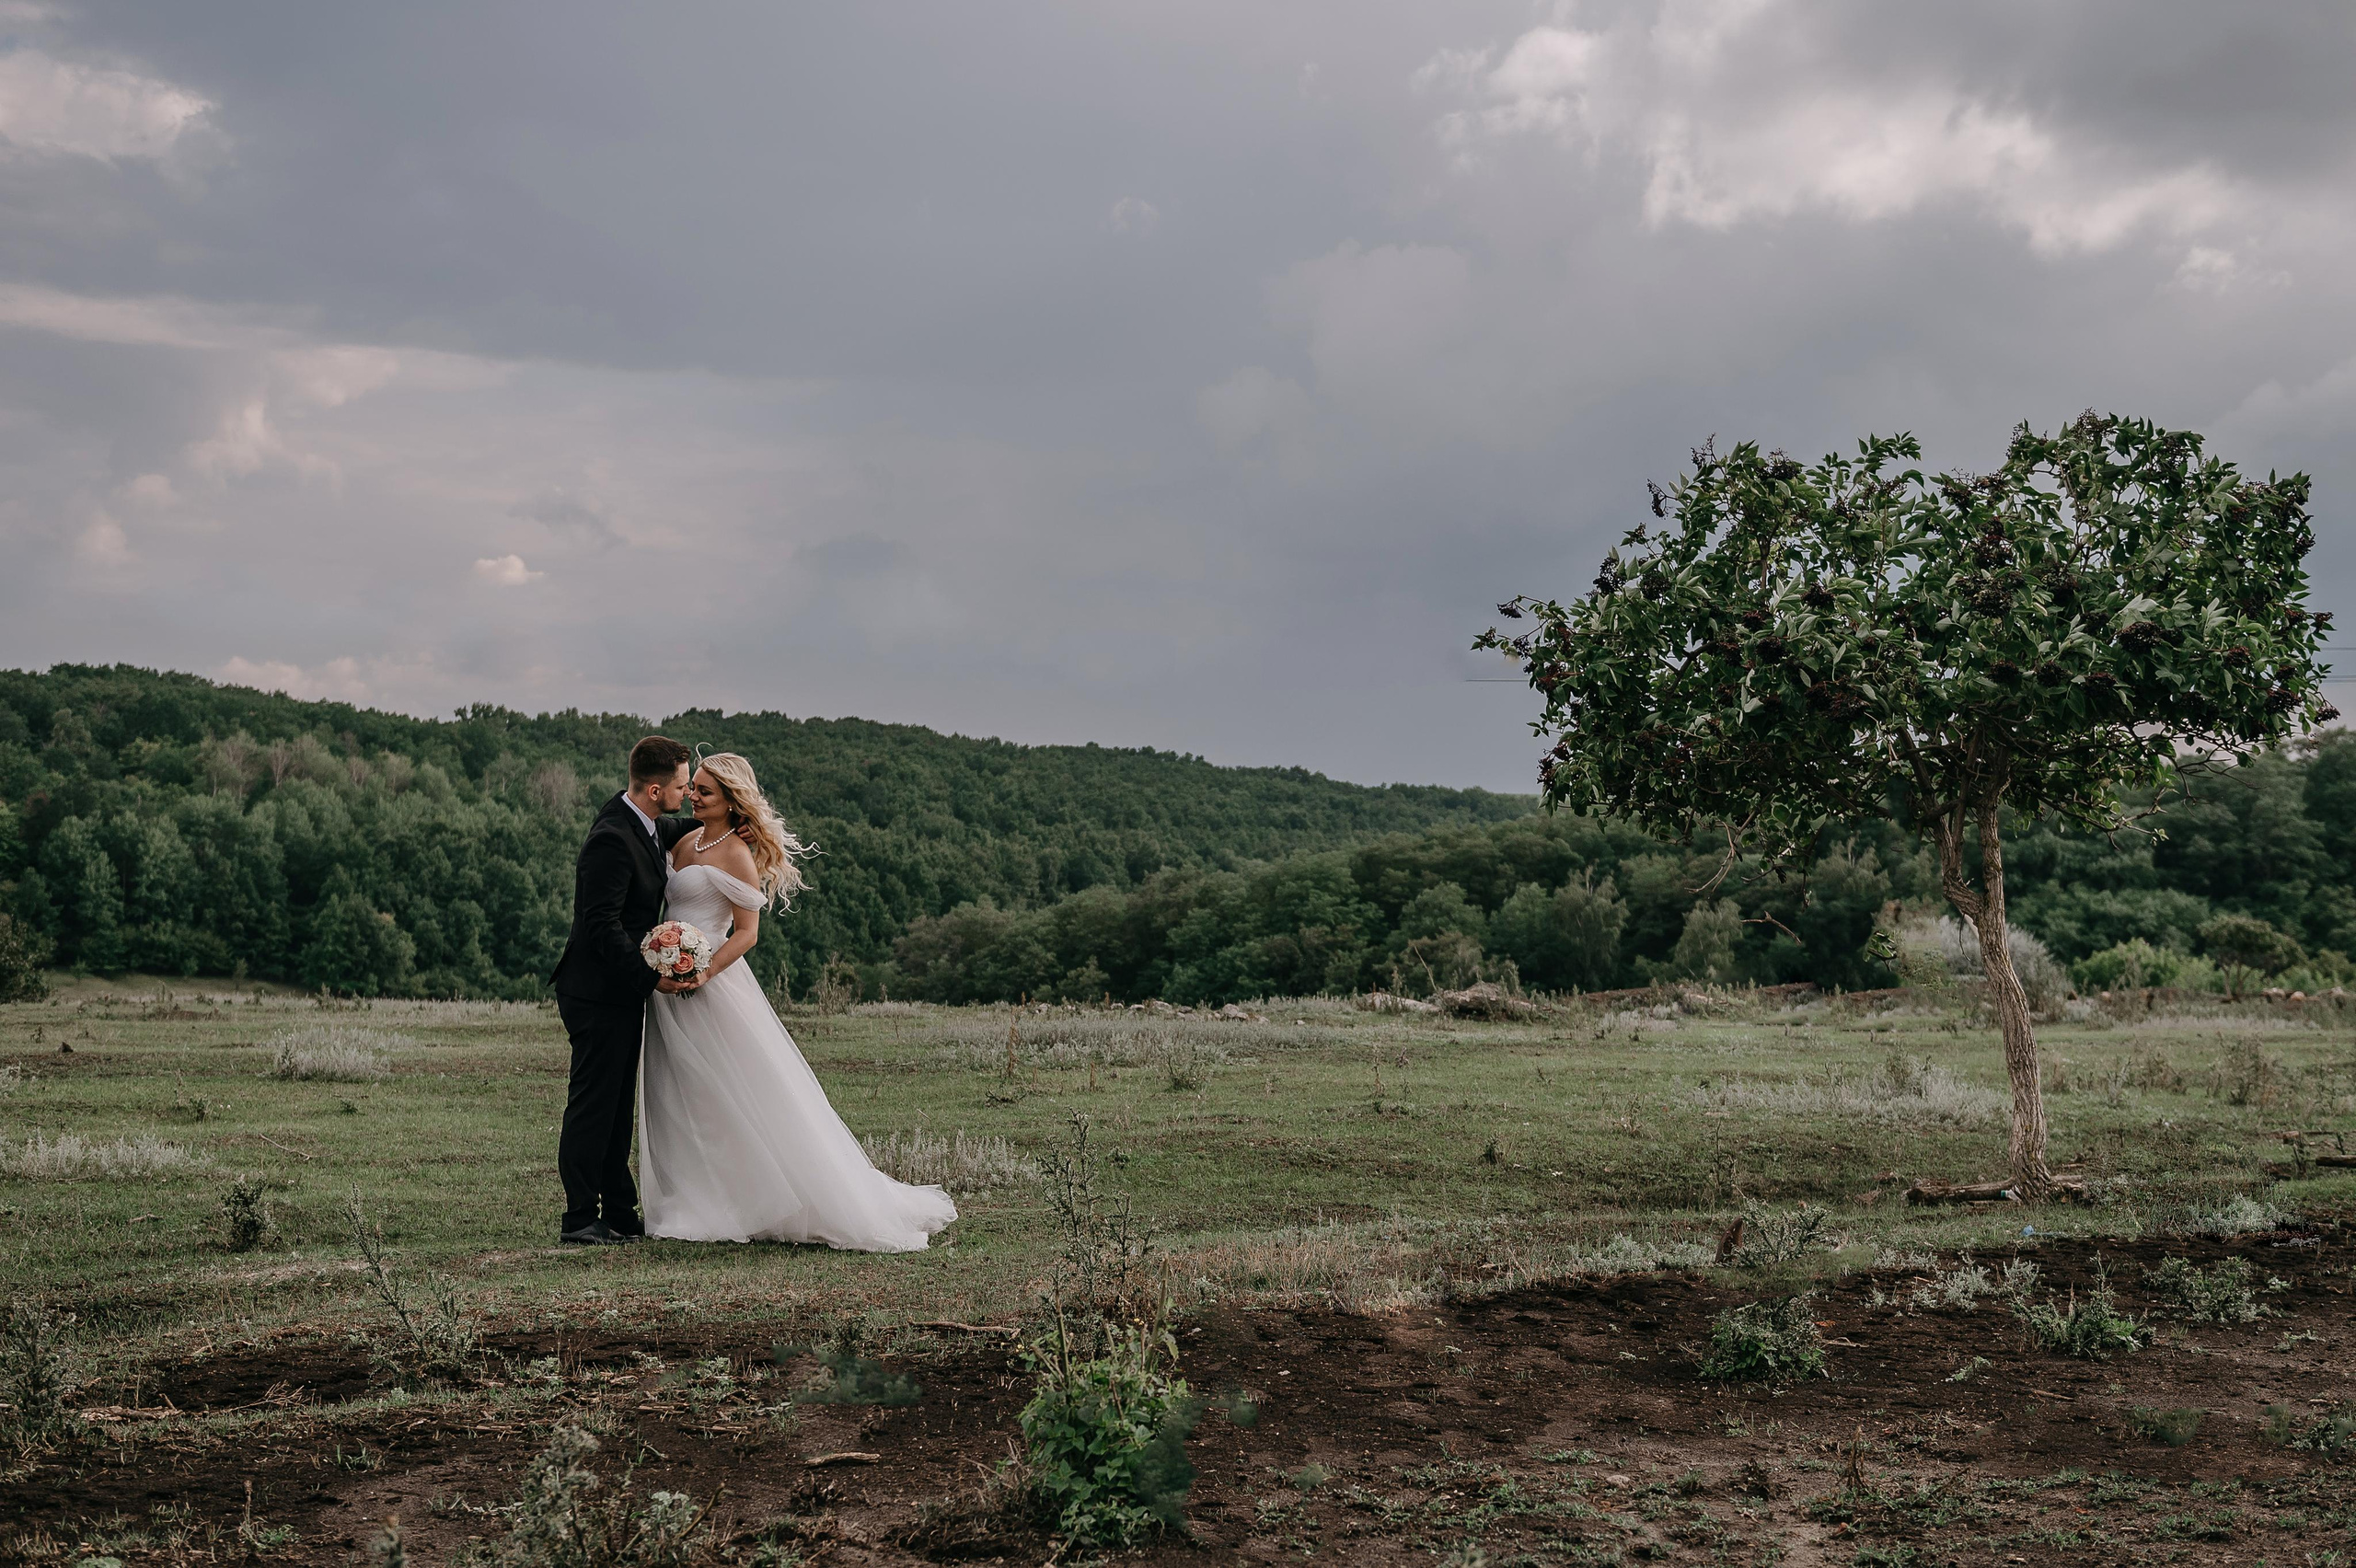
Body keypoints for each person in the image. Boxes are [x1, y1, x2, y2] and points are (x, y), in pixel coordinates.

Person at [638, 750, 956, 1250]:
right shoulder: (683, 839)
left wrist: (702, 972)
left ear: (731, 800)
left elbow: (746, 934)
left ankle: (757, 1199)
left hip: (712, 984)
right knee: (679, 1093)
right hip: (667, 984)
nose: (693, 797)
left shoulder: (737, 854)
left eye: (705, 791)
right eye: (693, 787)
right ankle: (692, 1198)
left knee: (735, 1089)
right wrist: (666, 962)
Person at [549, 734, 704, 1245]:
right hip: (595, 991)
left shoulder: (643, 818)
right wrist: (651, 978)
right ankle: (578, 1219)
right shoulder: (611, 838)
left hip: (618, 991)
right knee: (594, 1104)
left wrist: (729, 817)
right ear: (656, 789)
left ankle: (618, 1209)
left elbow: (678, 828)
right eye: (683, 786)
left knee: (618, 1107)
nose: (688, 794)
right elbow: (601, 927)